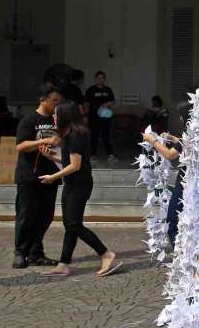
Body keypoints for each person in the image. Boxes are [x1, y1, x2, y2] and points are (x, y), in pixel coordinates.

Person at [38, 103, 121, 277]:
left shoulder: (76, 136)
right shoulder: (68, 135)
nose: (53, 117)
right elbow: (69, 161)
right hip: (71, 183)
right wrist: (51, 155)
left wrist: (53, 177)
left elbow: (75, 166)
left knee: (74, 224)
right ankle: (64, 263)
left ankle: (106, 254)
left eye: (56, 114)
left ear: (65, 116)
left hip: (79, 184)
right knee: (70, 224)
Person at [12, 87, 62, 269]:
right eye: (54, 100)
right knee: (26, 215)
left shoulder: (57, 120)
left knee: (45, 216)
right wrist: (42, 142)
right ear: (43, 100)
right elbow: (21, 146)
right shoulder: (29, 120)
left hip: (51, 173)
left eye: (58, 101)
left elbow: (62, 142)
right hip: (29, 175)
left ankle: (36, 252)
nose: (56, 104)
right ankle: (20, 252)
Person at [142, 102, 191, 246]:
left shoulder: (192, 134)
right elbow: (184, 144)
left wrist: (153, 141)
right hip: (190, 182)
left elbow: (170, 155)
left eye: (181, 116)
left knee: (172, 222)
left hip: (184, 183)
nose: (180, 119)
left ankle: (181, 255)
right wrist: (171, 138)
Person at [85, 71, 116, 164]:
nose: (100, 79)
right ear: (95, 79)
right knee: (94, 136)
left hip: (105, 117)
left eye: (102, 77)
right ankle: (93, 155)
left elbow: (113, 101)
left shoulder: (108, 90)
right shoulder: (90, 90)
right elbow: (86, 103)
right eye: (98, 77)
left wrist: (108, 104)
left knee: (106, 136)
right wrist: (86, 116)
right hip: (94, 117)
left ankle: (110, 155)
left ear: (104, 79)